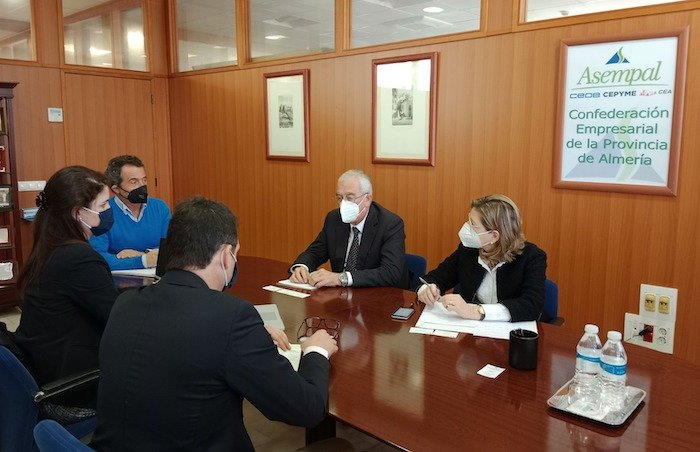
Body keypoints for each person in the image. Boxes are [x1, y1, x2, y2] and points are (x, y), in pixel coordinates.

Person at [92, 197, 338, 451]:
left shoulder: (125, 302)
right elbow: (306, 410)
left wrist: (248, 336)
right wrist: (316, 350)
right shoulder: (231, 318)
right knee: (338, 446)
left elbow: (184, 339)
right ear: (225, 256)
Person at [13, 166, 118, 408]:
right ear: (78, 213)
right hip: (74, 387)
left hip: (46, 370)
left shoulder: (50, 247)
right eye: (103, 205)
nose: (108, 211)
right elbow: (118, 318)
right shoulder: (78, 258)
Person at [417, 195, 546, 322]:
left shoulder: (532, 257)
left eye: (473, 224)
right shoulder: (468, 249)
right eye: (469, 220)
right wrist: (426, 290)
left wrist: (475, 311)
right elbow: (434, 278)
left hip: (509, 330)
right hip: (468, 329)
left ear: (494, 236)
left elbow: (532, 305)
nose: (466, 227)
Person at [290, 169, 409, 288]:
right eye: (340, 198)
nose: (343, 204)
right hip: (341, 293)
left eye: (350, 198)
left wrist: (341, 278)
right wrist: (302, 266)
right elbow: (315, 252)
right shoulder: (334, 218)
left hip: (378, 294)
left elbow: (390, 272)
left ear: (367, 199)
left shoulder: (390, 224)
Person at [89, 155, 171, 270]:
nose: (142, 186)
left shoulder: (160, 207)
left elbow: (172, 249)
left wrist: (142, 255)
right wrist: (142, 261)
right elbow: (98, 258)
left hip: (159, 277)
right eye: (134, 182)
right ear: (116, 188)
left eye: (144, 180)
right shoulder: (103, 212)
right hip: (119, 280)